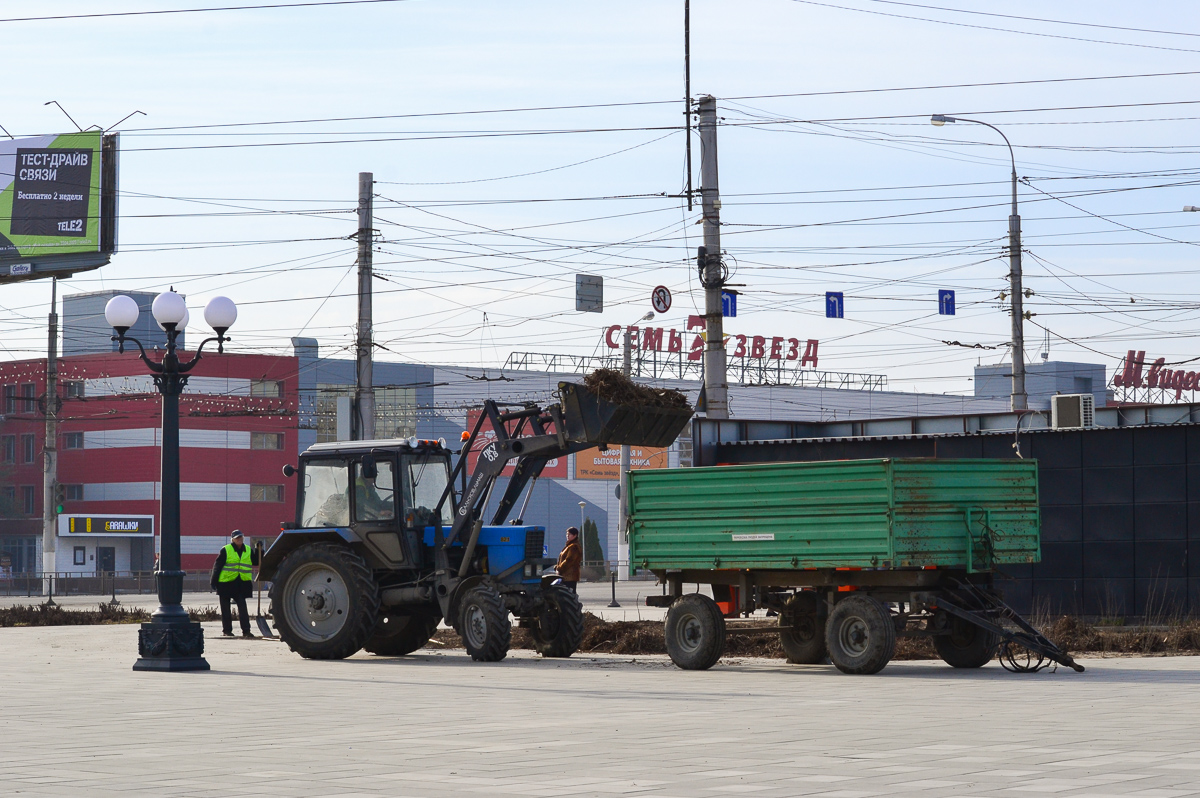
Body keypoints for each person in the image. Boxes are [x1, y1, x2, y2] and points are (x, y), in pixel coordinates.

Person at [209, 530, 260, 638]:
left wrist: (259, 550)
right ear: (232, 539)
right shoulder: (226, 550)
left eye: (241, 537)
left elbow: (256, 561)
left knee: (242, 607)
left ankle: (246, 631)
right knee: (225, 609)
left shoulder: (248, 550)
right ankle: (227, 631)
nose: (239, 539)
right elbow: (217, 566)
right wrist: (213, 581)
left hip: (241, 584)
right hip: (225, 583)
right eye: (237, 538)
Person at [555, 526, 582, 593]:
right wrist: (557, 567)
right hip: (566, 576)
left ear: (575, 535)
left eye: (569, 534)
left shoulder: (574, 547)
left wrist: (559, 569)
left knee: (569, 595)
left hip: (570, 576)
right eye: (567, 534)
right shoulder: (569, 546)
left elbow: (569, 560)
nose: (567, 536)